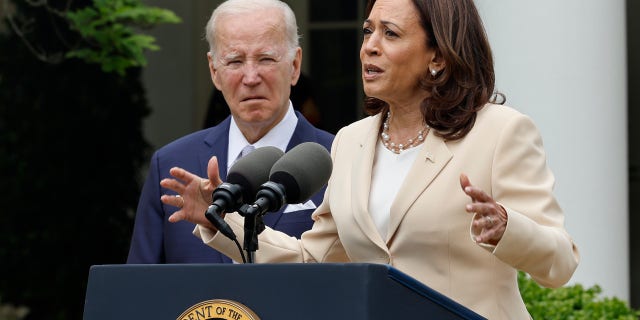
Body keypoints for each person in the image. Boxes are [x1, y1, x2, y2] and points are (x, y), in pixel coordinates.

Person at [160, 0, 580, 318]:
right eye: (367, 32)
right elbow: (313, 259)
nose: (369, 49)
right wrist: (218, 219)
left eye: (390, 35)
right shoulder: (350, 141)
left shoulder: (499, 131)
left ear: (437, 56)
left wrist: (507, 227)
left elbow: (560, 262)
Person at [126, 0, 334, 263]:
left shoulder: (340, 159)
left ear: (294, 66)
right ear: (214, 71)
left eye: (266, 59)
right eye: (235, 61)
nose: (250, 77)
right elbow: (141, 287)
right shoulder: (172, 165)